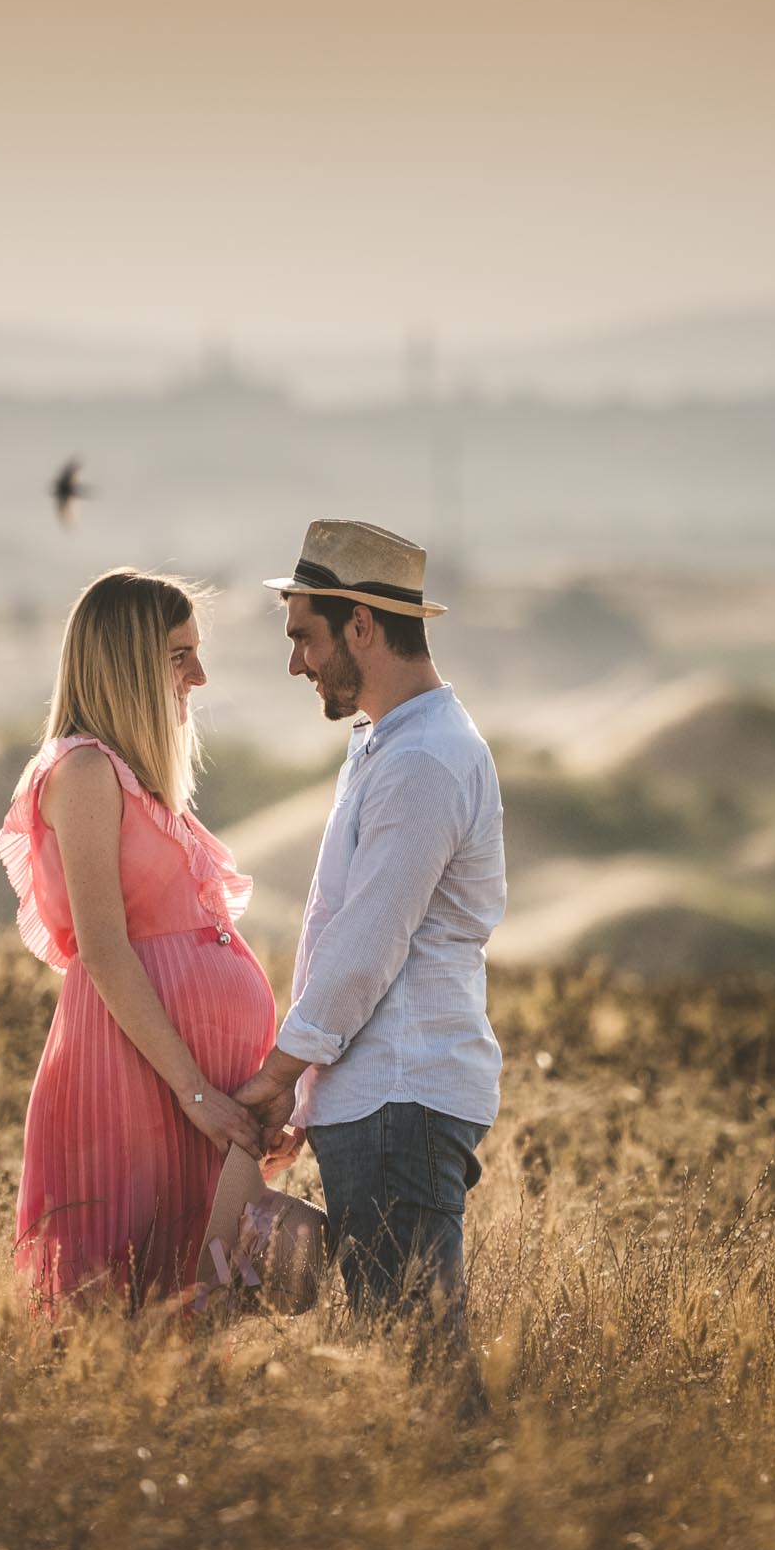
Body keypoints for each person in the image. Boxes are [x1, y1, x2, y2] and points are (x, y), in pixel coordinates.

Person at [233, 519, 507, 1365]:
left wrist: (280, 1076)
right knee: (402, 1362)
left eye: (304, 637)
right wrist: (313, 1102)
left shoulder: (423, 758)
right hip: (384, 1102)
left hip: (402, 1102)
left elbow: (365, 946)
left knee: (418, 1370)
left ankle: (465, 1495)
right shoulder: (388, 743)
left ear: (361, 624)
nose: (295, 663)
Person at [0, 569, 276, 1313]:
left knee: (199, 1316)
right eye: (181, 655)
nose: (199, 676)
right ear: (128, 660)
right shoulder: (86, 772)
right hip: (135, 1084)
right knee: (125, 1314)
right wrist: (194, 1093)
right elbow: (107, 949)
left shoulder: (134, 779)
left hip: (184, 1092)